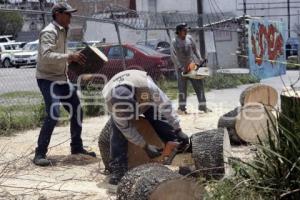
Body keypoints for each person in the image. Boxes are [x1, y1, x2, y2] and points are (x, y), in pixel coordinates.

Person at [33, 2, 96, 166]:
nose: (70, 16)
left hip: (61, 79)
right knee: (53, 113)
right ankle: (39, 153)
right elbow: (46, 56)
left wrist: (76, 62)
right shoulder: (49, 32)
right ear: (58, 14)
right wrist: (69, 57)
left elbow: (61, 55)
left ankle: (76, 147)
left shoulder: (63, 30)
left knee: (77, 110)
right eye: (68, 14)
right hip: (47, 79)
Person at [102, 69, 189, 185]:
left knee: (162, 123)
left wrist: (177, 129)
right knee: (117, 132)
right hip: (124, 106)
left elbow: (166, 105)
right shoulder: (111, 101)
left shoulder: (147, 86)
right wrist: (145, 146)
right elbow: (126, 129)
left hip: (146, 102)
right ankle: (118, 169)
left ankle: (182, 159)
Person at [171, 23, 211, 114]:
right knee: (182, 89)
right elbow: (174, 56)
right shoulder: (174, 42)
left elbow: (195, 49)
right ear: (179, 31)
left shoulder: (189, 38)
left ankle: (203, 107)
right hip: (181, 69)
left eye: (186, 30)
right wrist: (180, 67)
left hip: (192, 67)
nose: (186, 32)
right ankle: (181, 108)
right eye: (184, 30)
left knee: (199, 86)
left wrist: (200, 58)